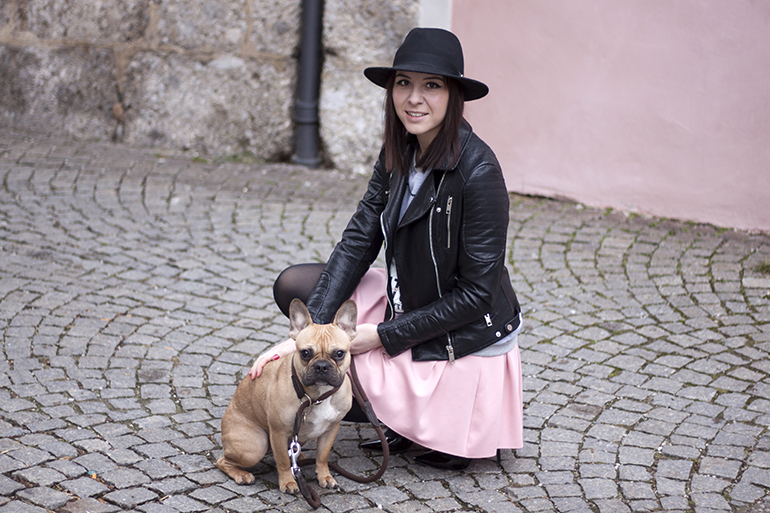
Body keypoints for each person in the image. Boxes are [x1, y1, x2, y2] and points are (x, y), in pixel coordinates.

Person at [248, 27, 523, 471]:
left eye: (431, 85)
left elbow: (476, 295)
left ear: (454, 95)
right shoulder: (399, 152)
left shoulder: (479, 172)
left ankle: (435, 423)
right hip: (412, 295)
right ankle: (390, 411)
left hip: (463, 329)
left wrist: (382, 336)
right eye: (403, 83)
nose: (414, 99)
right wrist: (297, 338)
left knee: (352, 355)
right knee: (296, 286)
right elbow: (359, 239)